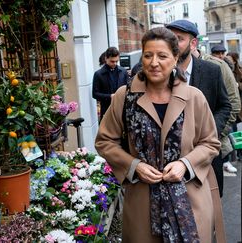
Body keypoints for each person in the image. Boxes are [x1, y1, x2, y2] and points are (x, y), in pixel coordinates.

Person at [95, 27, 226, 243]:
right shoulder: (124, 96)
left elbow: (210, 143)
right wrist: (134, 166)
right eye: (148, 55)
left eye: (162, 56)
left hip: (190, 202)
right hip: (142, 203)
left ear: (175, 58)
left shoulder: (194, 97)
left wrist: (185, 164)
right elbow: (105, 140)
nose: (154, 62)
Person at [166, 19, 231, 197]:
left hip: (205, 157)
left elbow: (225, 106)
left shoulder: (212, 71)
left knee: (208, 213)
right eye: (169, 38)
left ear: (193, 43)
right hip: (169, 164)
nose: (172, 44)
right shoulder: (156, 73)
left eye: (179, 39)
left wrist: (210, 132)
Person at [203, 47, 241, 174]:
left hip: (216, 135)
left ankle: (230, 159)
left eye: (221, 53)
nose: (219, 55)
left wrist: (218, 132)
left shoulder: (220, 66)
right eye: (216, 53)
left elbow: (232, 104)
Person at [92, 47, 129, 121]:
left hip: (122, 109)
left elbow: (128, 89)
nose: (115, 63)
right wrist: (110, 96)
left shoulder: (123, 71)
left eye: (116, 61)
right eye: (112, 61)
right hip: (107, 110)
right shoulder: (98, 74)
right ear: (106, 59)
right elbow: (95, 94)